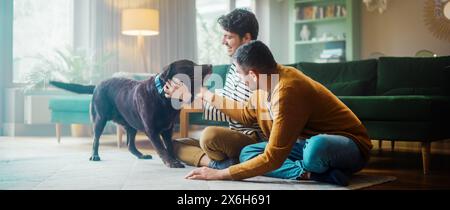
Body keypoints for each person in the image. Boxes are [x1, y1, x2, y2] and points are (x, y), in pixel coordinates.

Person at [180, 41, 373, 186]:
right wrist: (207, 95)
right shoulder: (264, 85)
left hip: (349, 146)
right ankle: (312, 174)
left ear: (253, 75)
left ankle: (312, 167)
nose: (240, 79)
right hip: (303, 145)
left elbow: (274, 157)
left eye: (240, 73)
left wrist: (222, 174)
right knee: (249, 153)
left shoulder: (288, 90)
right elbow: (245, 114)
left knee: (315, 148)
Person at [167, 9, 264, 170]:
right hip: (232, 134)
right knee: (172, 144)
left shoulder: (255, 70)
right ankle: (216, 163)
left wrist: (196, 96)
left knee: (209, 136)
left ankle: (224, 159)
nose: (223, 41)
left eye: (229, 36)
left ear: (246, 38)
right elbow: (223, 109)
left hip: (252, 139)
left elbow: (242, 115)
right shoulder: (235, 66)